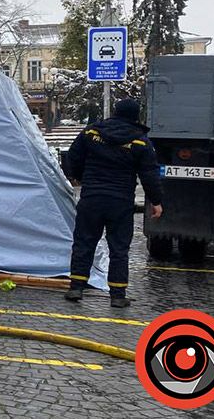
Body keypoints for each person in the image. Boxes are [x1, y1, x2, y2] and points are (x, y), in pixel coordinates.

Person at [63, 98, 164, 307]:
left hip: (91, 198)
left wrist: (81, 177)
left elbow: (72, 159)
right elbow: (149, 174)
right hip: (120, 202)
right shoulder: (140, 141)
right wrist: (156, 201)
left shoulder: (92, 133)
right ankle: (117, 295)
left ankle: (76, 288)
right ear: (135, 116)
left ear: (116, 112)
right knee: (119, 248)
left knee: (84, 242)